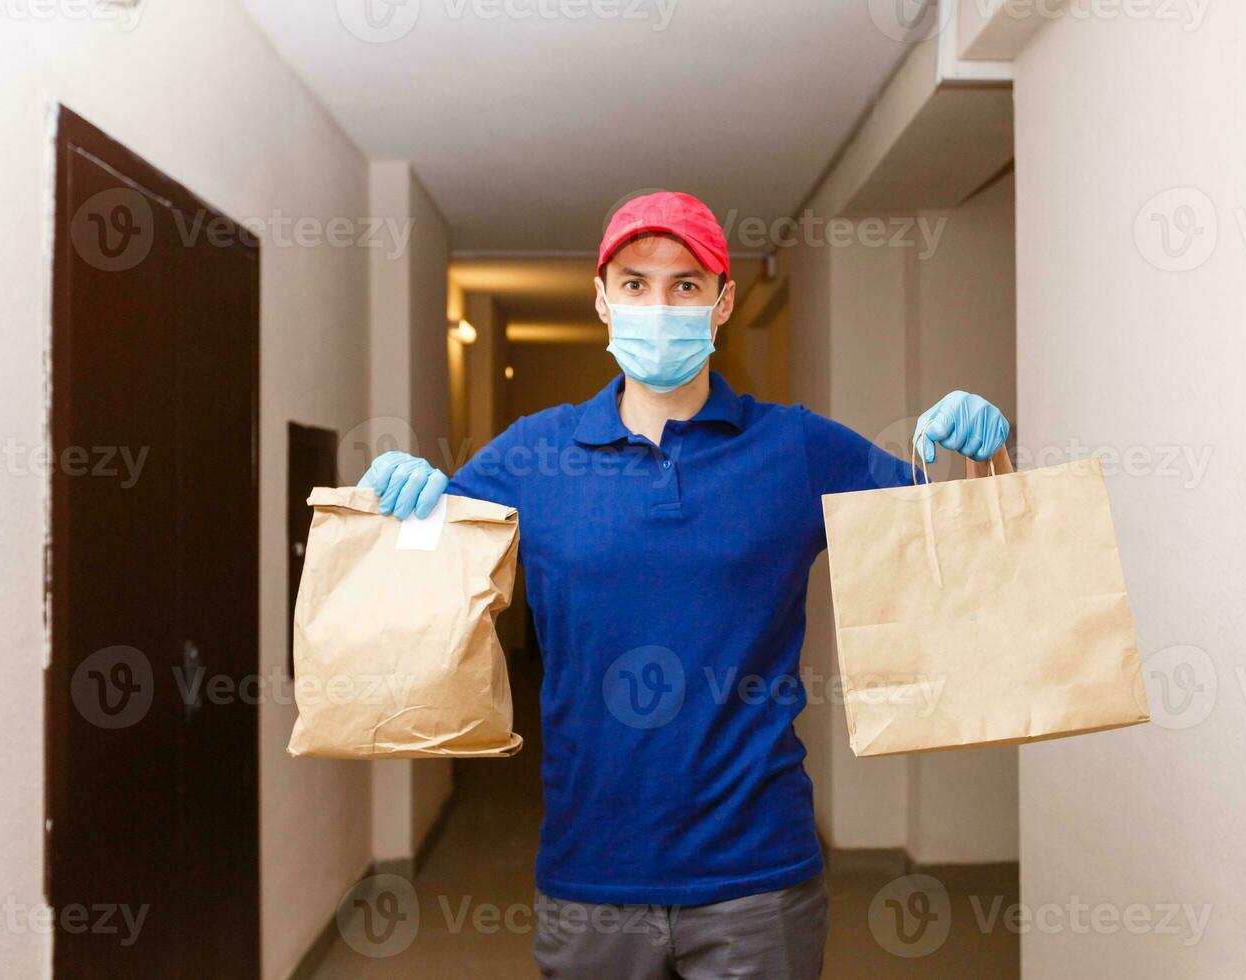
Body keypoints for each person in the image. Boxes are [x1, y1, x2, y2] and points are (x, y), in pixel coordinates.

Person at [359, 191, 1009, 979]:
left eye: (686, 285)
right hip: (591, 872)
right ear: (600, 300)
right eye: (634, 285)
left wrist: (975, 454)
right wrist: (403, 505)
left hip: (757, 876)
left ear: (723, 301)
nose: (658, 306)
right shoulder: (535, 453)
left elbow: (955, 545)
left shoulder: (795, 447)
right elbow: (418, 597)